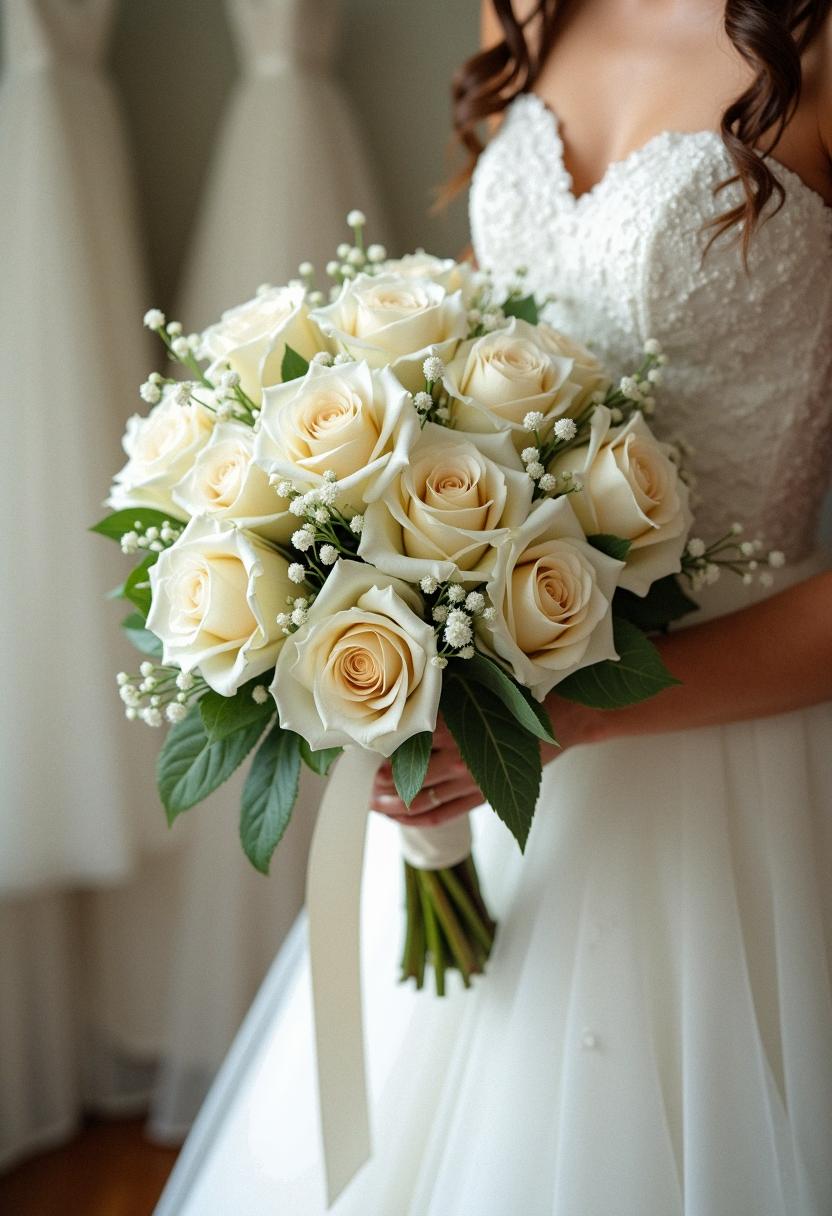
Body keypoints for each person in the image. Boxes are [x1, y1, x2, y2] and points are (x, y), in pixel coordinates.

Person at [157, 3, 832, 1212]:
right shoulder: (526, 3)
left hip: (736, 751)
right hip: (497, 690)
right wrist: (371, 575)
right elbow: (501, 325)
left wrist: (564, 718)